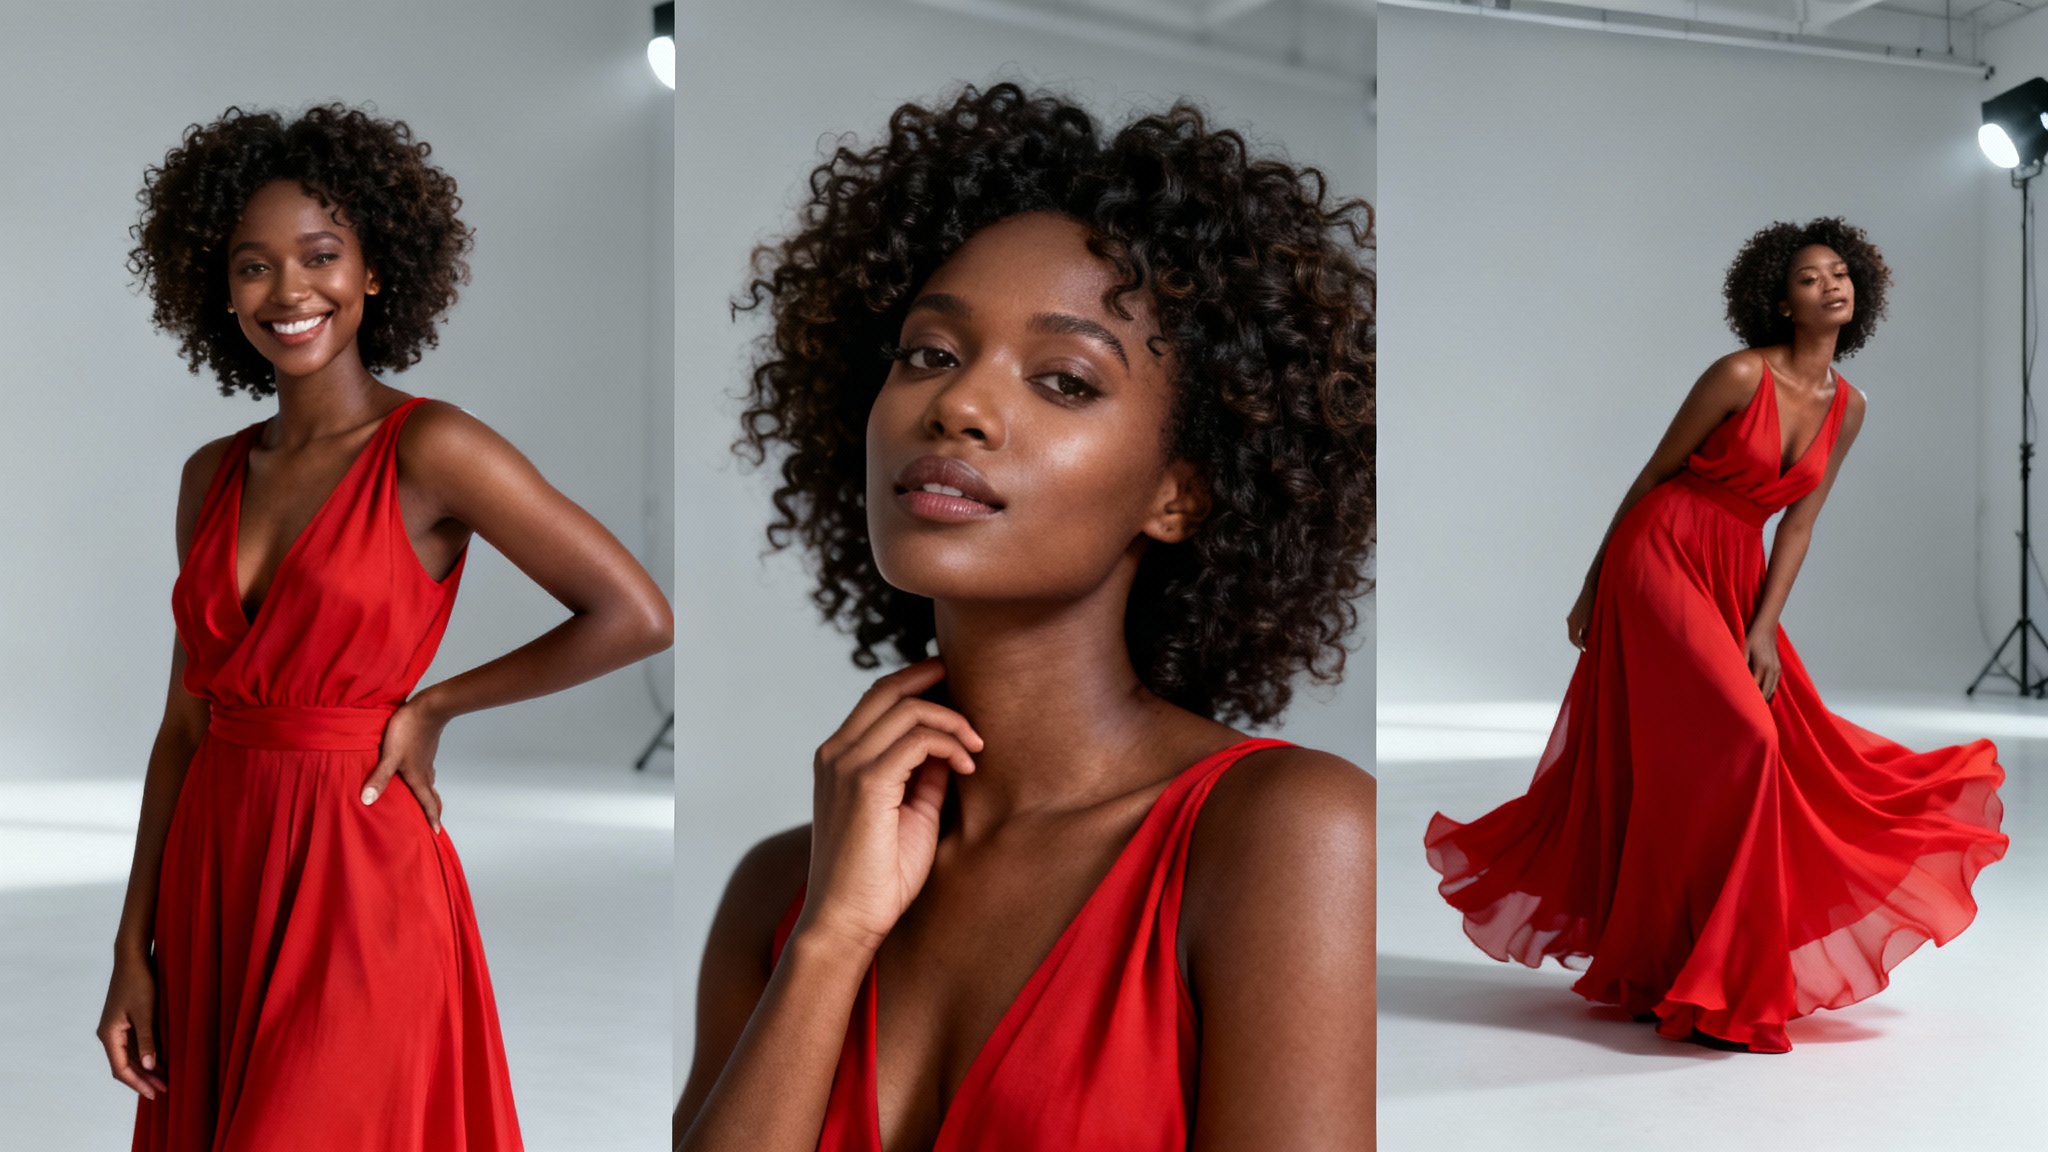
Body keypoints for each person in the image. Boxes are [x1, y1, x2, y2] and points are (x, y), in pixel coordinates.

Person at [672, 84, 1377, 1150]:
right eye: (928, 353)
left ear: (1176, 494)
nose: (955, 406)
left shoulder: (1283, 837)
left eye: (1062, 380)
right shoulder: (783, 889)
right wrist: (833, 936)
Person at [96, 105, 674, 1150]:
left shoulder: (432, 448)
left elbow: (634, 614)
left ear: (372, 272)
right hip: (216, 870)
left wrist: (438, 704)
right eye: (252, 266)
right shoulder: (209, 476)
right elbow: (183, 729)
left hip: (359, 865)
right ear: (217, 288)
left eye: (320, 257)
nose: (289, 292)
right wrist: (131, 950)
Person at [1425, 218, 2007, 1054]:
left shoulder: (1851, 407)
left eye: (1840, 273)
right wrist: (1593, 582)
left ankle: (1669, 967)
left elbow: (1799, 527)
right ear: (1778, 298)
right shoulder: (1738, 374)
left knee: (1734, 756)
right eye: (1809, 278)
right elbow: (1655, 474)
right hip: (1660, 550)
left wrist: (1764, 627)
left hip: (1735, 571)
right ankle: (1717, 983)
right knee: (1747, 740)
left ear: (1861, 293)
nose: (1830, 286)